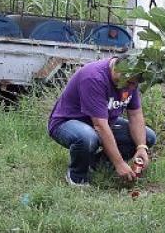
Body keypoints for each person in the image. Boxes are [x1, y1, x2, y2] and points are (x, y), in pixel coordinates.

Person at [48, 57, 157, 187]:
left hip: (102, 124)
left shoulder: (130, 77)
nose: (132, 87)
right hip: (67, 123)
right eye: (129, 83)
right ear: (117, 70)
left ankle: (97, 165)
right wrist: (120, 163)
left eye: (135, 84)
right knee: (87, 138)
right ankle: (77, 177)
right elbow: (100, 126)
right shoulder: (94, 78)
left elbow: (135, 114)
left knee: (148, 137)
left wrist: (141, 147)